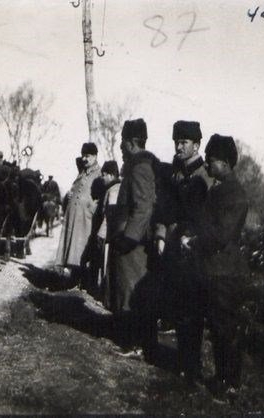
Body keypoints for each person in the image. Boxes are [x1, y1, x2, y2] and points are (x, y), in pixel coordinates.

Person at [181, 134, 249, 401]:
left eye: (210, 161)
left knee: (225, 331)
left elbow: (220, 235)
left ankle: (229, 384)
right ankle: (222, 379)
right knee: (217, 329)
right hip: (212, 271)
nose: (206, 166)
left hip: (224, 274)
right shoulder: (220, 190)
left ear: (223, 162)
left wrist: (193, 242)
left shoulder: (234, 194)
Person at [154, 120, 213, 385]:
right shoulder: (176, 172)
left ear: (197, 145)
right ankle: (183, 360)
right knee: (179, 306)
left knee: (193, 309)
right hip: (175, 248)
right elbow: (164, 208)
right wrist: (161, 235)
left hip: (196, 252)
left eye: (184, 142)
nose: (179, 146)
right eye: (177, 141)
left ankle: (192, 366)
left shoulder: (205, 176)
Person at [109, 118, 160, 360]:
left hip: (134, 245)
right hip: (133, 240)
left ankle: (136, 344)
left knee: (132, 294)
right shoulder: (138, 165)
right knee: (129, 293)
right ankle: (135, 341)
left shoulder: (139, 167)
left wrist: (128, 238)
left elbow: (143, 207)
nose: (120, 147)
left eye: (122, 142)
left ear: (130, 143)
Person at [55, 142, 101, 282]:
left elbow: (100, 196)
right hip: (74, 216)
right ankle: (74, 277)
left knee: (83, 248)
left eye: (88, 156)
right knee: (72, 246)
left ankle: (84, 280)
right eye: (83, 156)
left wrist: (91, 207)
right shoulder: (81, 173)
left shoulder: (98, 174)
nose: (84, 159)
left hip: (86, 218)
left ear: (95, 156)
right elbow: (75, 189)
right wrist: (69, 195)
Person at [95, 160, 121, 308]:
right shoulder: (115, 188)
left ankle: (106, 301)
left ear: (111, 175)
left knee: (106, 268)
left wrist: (101, 234)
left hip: (109, 236)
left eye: (104, 175)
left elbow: (109, 217)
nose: (103, 178)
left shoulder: (113, 191)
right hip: (113, 235)